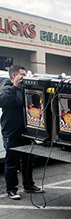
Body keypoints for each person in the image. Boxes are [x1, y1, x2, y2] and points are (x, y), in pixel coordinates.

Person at [0, 65, 42, 200]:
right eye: (22, 75)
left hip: (26, 132)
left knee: (28, 161)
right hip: (12, 133)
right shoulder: (6, 88)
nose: (24, 77)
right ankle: (11, 189)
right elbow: (5, 102)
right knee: (12, 163)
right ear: (14, 75)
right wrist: (15, 87)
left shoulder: (25, 89)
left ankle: (29, 185)